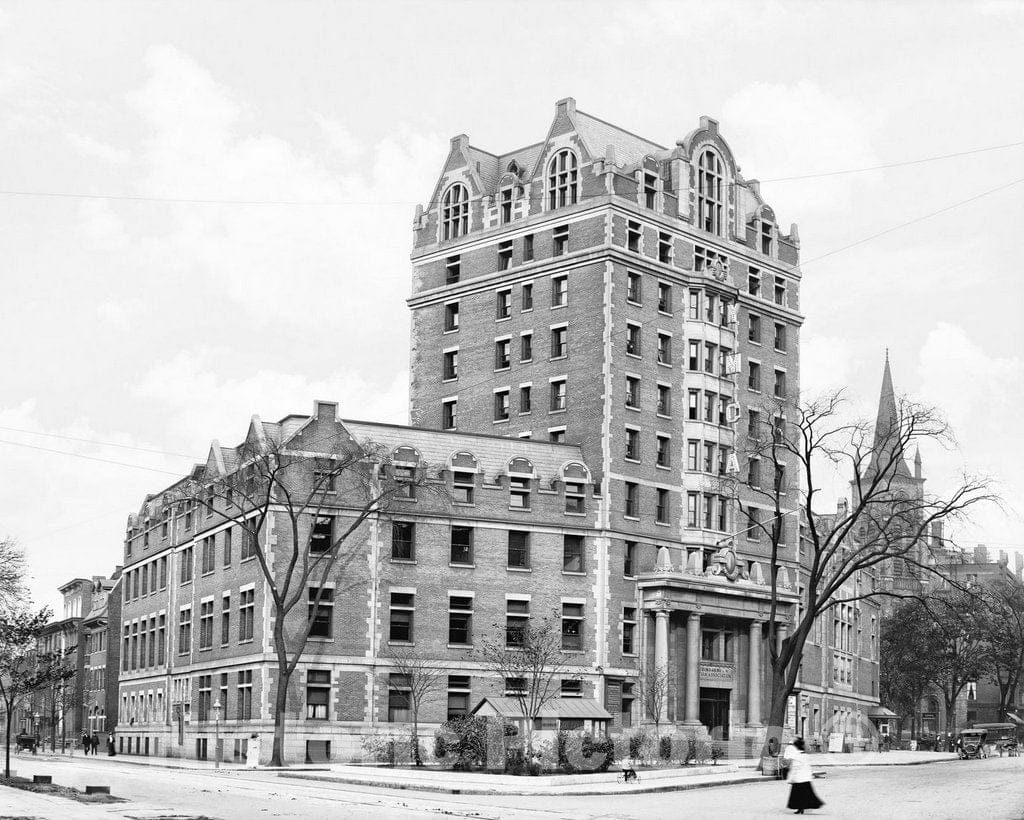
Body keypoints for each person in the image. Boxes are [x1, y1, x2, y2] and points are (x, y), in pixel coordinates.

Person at [785, 738, 824, 815]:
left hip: (798, 779)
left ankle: (800, 808)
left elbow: (794, 769)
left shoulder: (796, 756)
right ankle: (802, 808)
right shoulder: (806, 756)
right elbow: (808, 767)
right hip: (806, 779)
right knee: (806, 795)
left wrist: (790, 778)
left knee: (797, 795)